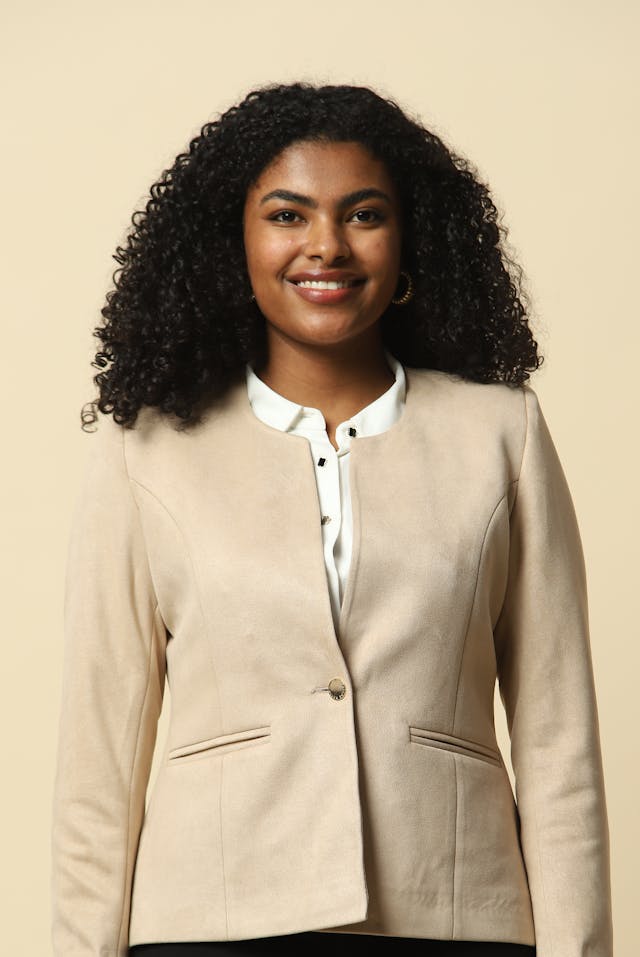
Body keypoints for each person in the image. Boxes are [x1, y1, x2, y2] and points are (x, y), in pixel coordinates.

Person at [50, 82, 613, 957]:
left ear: (409, 238)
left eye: (363, 215)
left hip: (452, 914)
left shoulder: (503, 433)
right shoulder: (147, 451)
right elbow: (99, 758)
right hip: (213, 918)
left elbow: (559, 739)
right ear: (230, 241)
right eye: (286, 214)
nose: (326, 245)